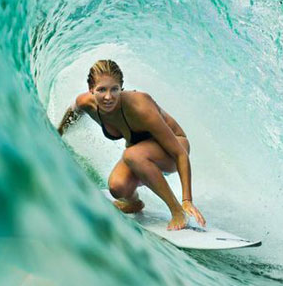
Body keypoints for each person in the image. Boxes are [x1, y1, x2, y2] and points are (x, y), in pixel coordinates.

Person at [57, 59, 205, 231]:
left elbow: (180, 154)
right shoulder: (86, 102)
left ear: (122, 88)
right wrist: (58, 132)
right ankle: (134, 203)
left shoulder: (140, 106)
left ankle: (177, 211)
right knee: (117, 187)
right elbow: (73, 111)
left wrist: (187, 200)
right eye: (101, 90)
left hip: (173, 150)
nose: (108, 96)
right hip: (142, 155)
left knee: (131, 155)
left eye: (114, 89)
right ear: (91, 89)